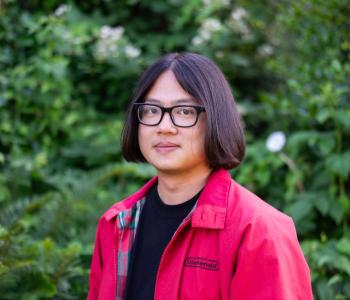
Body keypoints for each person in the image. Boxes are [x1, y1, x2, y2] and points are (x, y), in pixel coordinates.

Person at [87, 52, 313, 300]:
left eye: (184, 111)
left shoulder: (259, 231)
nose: (164, 127)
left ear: (216, 118)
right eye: (152, 110)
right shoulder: (117, 224)